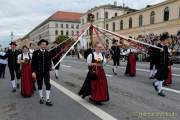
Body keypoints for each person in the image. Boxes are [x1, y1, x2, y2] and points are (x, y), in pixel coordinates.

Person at [31, 39, 53, 106]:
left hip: (46, 72)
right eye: (42, 44)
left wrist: (50, 67)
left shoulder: (48, 53)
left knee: (48, 84)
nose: (44, 46)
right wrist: (33, 72)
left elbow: (49, 62)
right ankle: (41, 98)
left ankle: (47, 99)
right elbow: (33, 63)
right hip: (38, 72)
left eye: (45, 44)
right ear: (40, 45)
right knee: (39, 85)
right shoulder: (35, 53)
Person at [153, 32, 170, 97]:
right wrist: (160, 52)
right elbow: (154, 56)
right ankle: (160, 91)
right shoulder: (158, 46)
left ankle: (155, 84)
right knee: (161, 78)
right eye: (166, 40)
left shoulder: (165, 47)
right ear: (163, 40)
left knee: (163, 78)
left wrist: (168, 64)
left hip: (164, 64)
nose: (167, 41)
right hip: (160, 64)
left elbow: (166, 56)